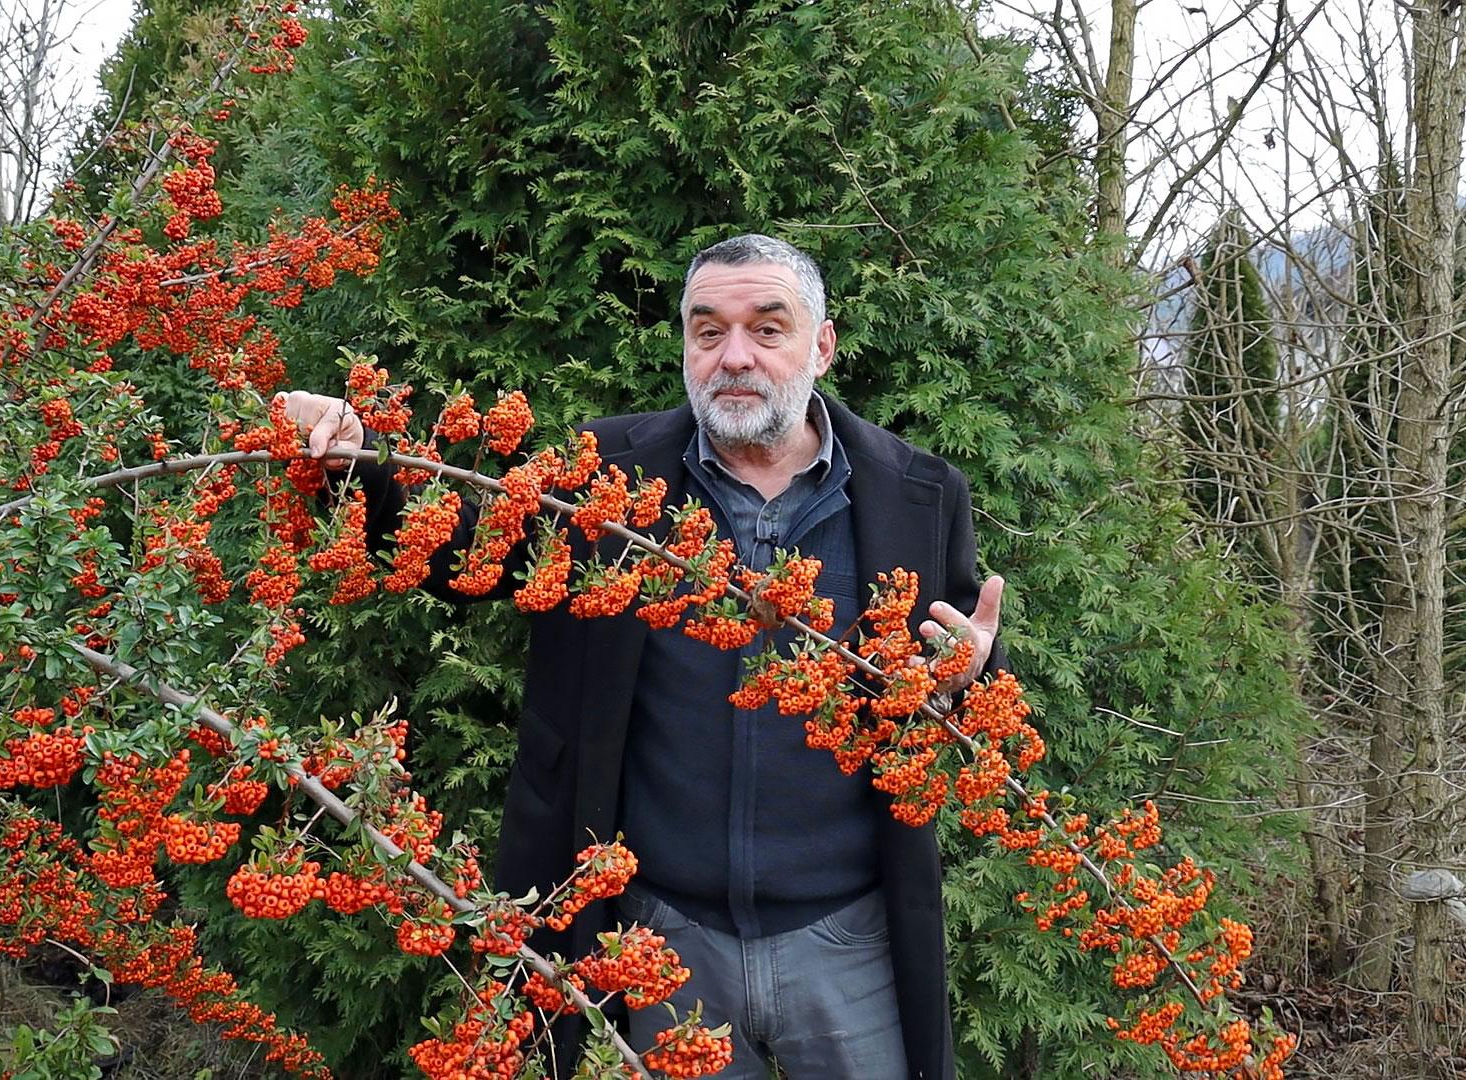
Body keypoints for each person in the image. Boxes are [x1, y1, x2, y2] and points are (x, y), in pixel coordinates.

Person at [281, 234, 1005, 1080]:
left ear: (823, 346)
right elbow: (461, 551)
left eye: (767, 330)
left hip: (848, 939)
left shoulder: (917, 493)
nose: (734, 356)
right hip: (657, 936)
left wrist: (970, 680)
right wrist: (355, 461)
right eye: (708, 331)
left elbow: (954, 665)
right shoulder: (612, 479)